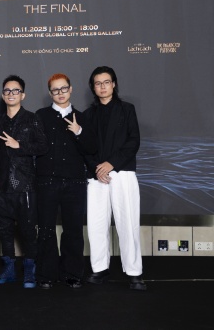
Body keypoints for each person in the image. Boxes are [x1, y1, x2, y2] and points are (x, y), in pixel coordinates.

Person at [83, 66, 146, 291]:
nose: (102, 87)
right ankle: (100, 269)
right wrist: (97, 168)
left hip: (122, 173)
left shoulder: (127, 109)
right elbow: (84, 146)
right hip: (96, 177)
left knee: (128, 224)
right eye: (98, 83)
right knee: (96, 225)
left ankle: (134, 273)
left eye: (106, 82)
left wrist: (111, 164)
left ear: (114, 84)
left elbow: (133, 141)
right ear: (93, 87)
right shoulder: (87, 115)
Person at [0, 75, 48, 289]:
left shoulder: (32, 119)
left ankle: (30, 271)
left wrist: (18, 145)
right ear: (3, 95)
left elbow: (43, 147)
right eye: (7, 91)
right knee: (4, 230)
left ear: (23, 95)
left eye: (15, 91)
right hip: (1, 185)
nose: (11, 94)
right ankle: (9, 270)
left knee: (28, 231)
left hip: (25, 184)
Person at [35, 73, 97, 289]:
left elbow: (91, 148)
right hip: (47, 181)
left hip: (75, 181)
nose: (60, 93)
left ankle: (72, 273)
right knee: (46, 229)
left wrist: (79, 131)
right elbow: (35, 146)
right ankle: (46, 274)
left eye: (63, 88)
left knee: (73, 229)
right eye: (55, 90)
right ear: (50, 93)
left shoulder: (83, 117)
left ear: (70, 89)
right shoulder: (41, 115)